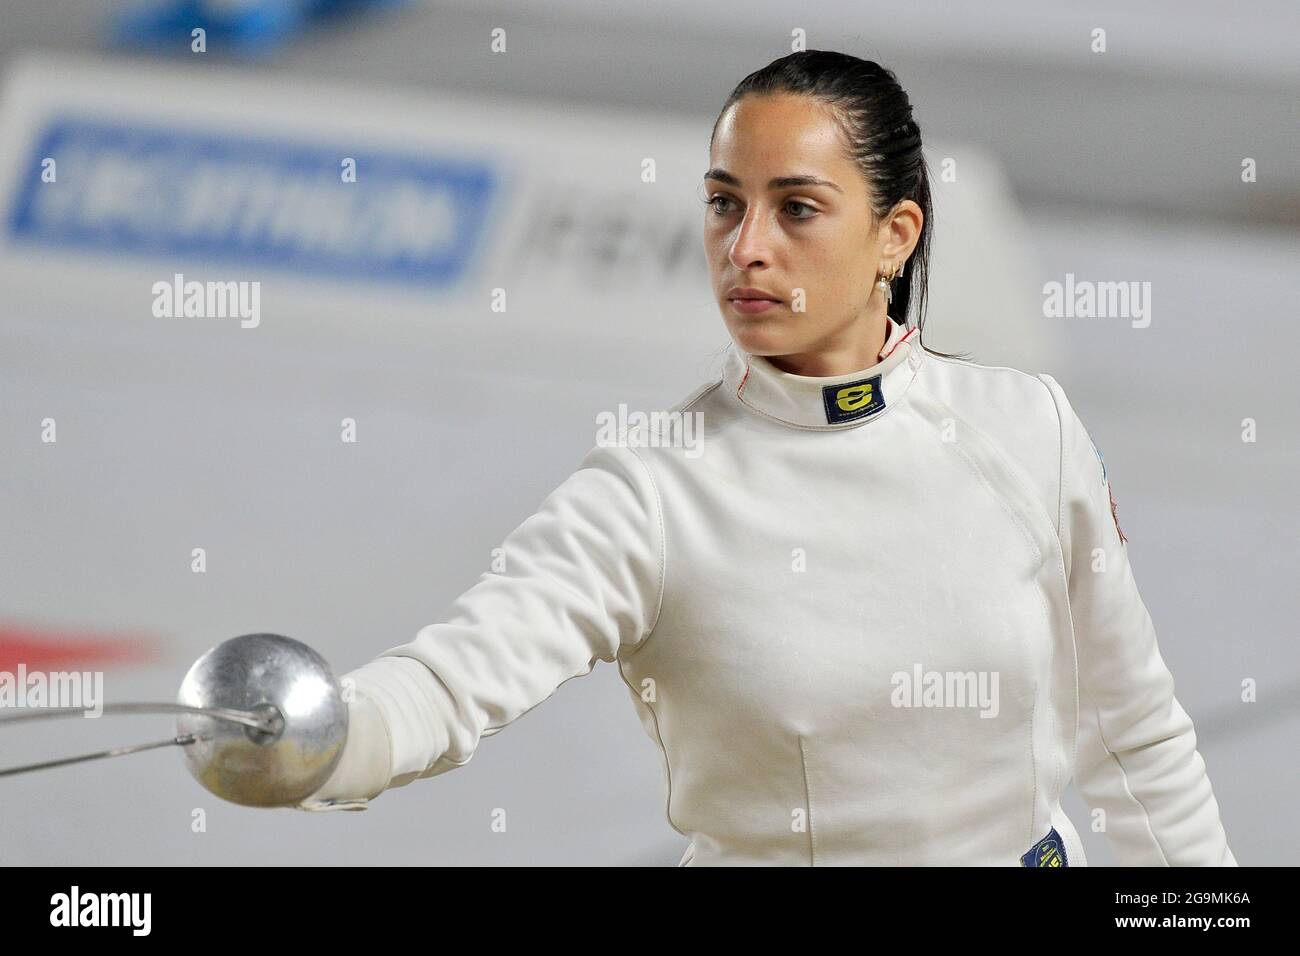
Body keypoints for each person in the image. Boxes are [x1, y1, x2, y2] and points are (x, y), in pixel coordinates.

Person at [294, 50, 1237, 867]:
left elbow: (1133, 733)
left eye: (796, 210)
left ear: (894, 236)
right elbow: (452, 680)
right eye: (723, 204)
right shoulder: (652, 489)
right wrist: (322, 740)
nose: (746, 249)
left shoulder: (1026, 426)